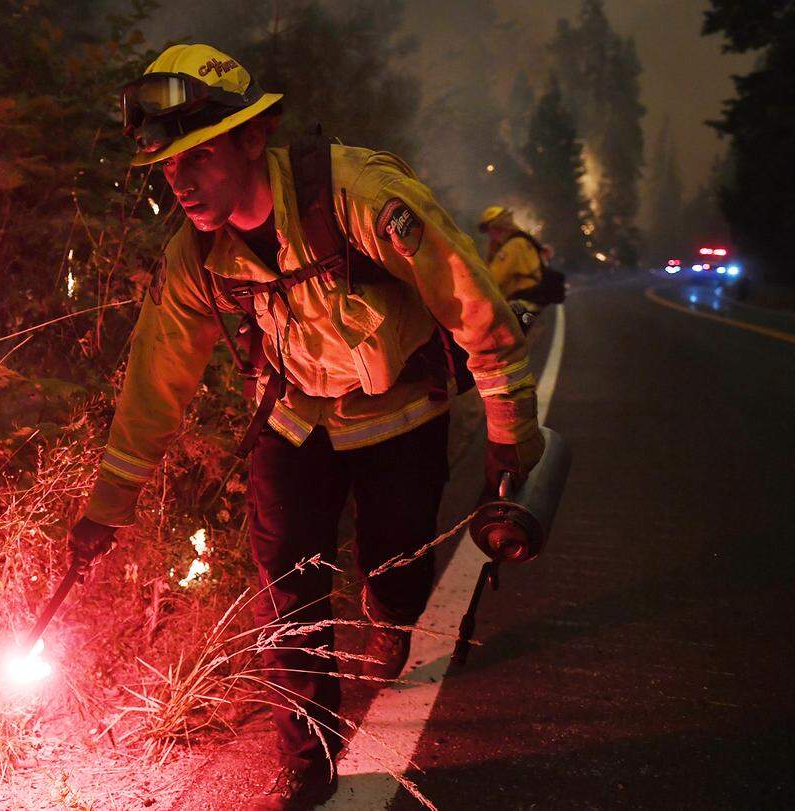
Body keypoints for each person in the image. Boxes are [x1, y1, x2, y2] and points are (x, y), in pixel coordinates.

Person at [67, 44, 544, 810]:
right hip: (294, 415)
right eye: (168, 168)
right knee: (285, 579)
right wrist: (106, 505)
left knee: (396, 571)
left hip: (400, 410)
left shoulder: (356, 193)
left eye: (200, 156)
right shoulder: (197, 255)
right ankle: (306, 752)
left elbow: (470, 297)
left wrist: (506, 424)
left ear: (254, 140)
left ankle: (390, 613)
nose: (181, 182)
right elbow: (157, 377)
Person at [477, 205, 549, 332]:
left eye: (489, 230)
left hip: (523, 301)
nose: (489, 234)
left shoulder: (512, 247)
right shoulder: (518, 241)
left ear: (498, 227)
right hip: (531, 300)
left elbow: (494, 279)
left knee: (500, 336)